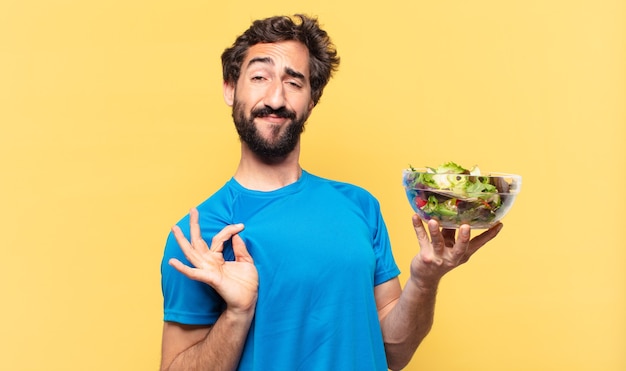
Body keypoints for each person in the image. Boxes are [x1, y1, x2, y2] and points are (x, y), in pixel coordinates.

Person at [160, 14, 503, 371]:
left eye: (294, 83)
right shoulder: (199, 236)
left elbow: (394, 352)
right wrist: (236, 313)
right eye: (259, 77)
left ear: (312, 99)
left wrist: (424, 280)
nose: (275, 98)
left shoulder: (359, 206)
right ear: (230, 88)